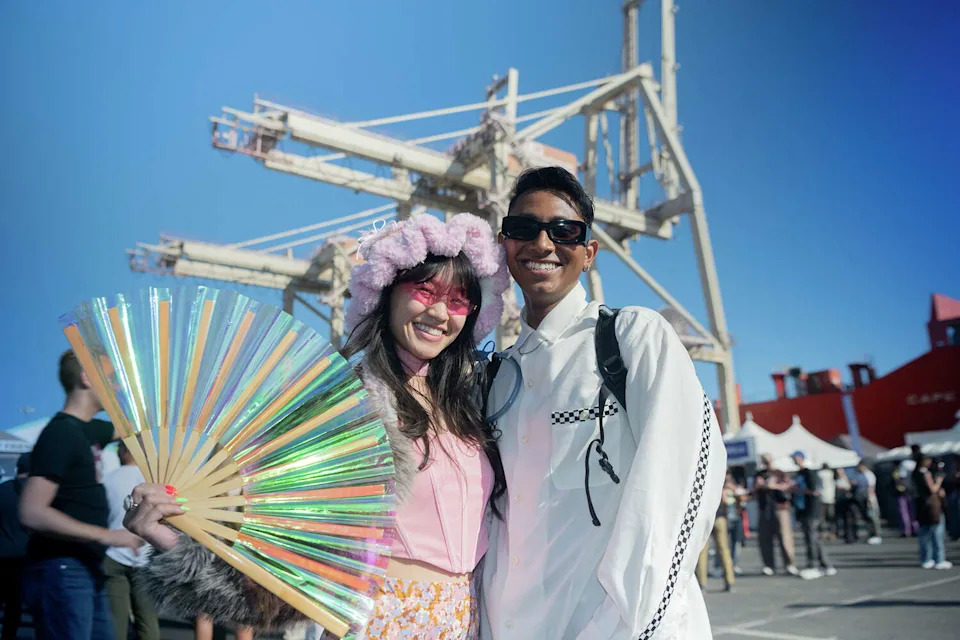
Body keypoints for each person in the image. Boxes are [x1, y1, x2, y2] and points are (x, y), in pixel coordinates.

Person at [123, 212, 510, 639]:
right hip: (380, 623)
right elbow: (276, 545)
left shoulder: (471, 405)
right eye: (424, 289)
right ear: (386, 291)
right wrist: (172, 540)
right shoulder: (343, 407)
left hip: (467, 622)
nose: (440, 312)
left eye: (458, 301)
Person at [480, 167, 726, 638]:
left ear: (589, 252)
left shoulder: (630, 338)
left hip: (616, 625)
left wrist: (635, 616)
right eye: (523, 229)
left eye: (564, 230)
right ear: (504, 245)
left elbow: (686, 480)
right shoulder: (495, 376)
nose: (543, 244)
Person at [19, 350, 142, 639]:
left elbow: (136, 425)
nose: (117, 387)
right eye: (111, 379)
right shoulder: (61, 435)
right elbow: (31, 512)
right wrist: (108, 536)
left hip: (83, 567)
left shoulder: (88, 431)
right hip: (62, 570)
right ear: (86, 378)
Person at [103, 441, 159, 640]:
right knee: (148, 621)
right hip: (145, 558)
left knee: (115, 622)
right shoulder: (153, 482)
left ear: (125, 451)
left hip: (113, 553)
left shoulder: (107, 479)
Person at [0, 453, 31, 640]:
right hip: (24, 558)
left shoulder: (2, 490)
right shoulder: (37, 496)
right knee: (14, 605)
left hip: (1, 556)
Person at [791, 452, 836, 577]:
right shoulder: (799, 474)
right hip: (802, 509)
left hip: (811, 509)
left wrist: (796, 489)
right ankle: (826, 565)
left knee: (811, 538)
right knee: (812, 538)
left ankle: (813, 565)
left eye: (795, 458)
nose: (794, 460)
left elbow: (815, 491)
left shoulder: (809, 473)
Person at [754, 454, 798, 576]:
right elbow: (755, 488)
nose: (766, 463)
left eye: (768, 460)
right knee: (765, 538)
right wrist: (761, 485)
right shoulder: (759, 473)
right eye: (764, 461)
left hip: (780, 508)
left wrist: (773, 486)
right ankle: (769, 565)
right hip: (765, 508)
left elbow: (790, 486)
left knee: (785, 537)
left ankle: (789, 564)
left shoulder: (779, 473)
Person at [912, 455, 952, 569]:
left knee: (924, 534)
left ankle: (926, 558)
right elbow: (933, 489)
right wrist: (939, 481)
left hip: (921, 506)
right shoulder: (925, 473)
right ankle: (939, 559)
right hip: (931, 506)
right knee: (936, 533)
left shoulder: (915, 474)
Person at [696, 488, 735, 593]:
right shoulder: (720, 482)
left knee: (702, 551)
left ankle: (702, 583)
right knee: (724, 549)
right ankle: (729, 581)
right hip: (719, 516)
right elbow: (725, 500)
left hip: (703, 517)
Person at [852, 460, 882, 545]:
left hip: (870, 499)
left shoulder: (869, 475)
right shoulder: (859, 475)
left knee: (873, 518)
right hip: (863, 499)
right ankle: (871, 535)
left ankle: (876, 535)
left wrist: (869, 500)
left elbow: (871, 488)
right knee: (868, 518)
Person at [816, 464, 837, 541]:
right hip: (831, 496)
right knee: (831, 517)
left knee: (822, 517)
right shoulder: (831, 473)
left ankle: (822, 533)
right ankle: (832, 533)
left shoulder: (819, 473)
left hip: (822, 496)